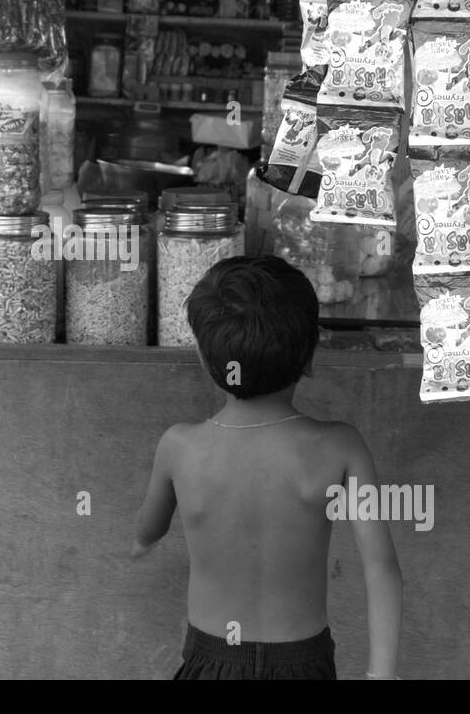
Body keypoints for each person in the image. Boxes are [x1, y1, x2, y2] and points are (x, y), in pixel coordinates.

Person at [132, 255, 403, 680]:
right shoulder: (341, 448)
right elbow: (381, 567)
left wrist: (141, 543)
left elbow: (148, 528)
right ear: (310, 356)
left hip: (212, 663)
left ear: (206, 360)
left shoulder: (180, 446)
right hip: (304, 667)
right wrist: (381, 676)